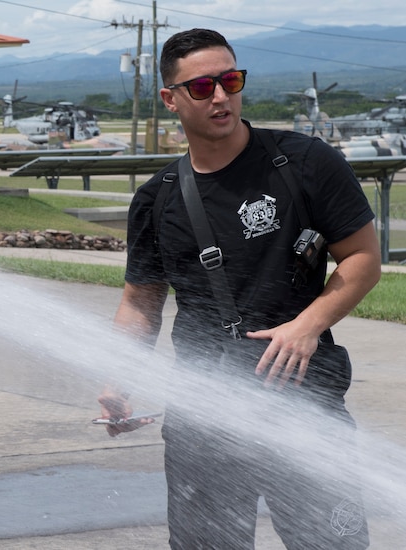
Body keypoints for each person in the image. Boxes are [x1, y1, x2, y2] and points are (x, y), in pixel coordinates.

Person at [100, 29, 380, 549]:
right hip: (203, 413)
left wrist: (307, 326)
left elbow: (363, 260)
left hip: (304, 401)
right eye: (202, 87)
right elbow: (140, 301)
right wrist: (120, 379)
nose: (221, 97)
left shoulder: (305, 163)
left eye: (231, 80)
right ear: (170, 99)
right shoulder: (156, 200)